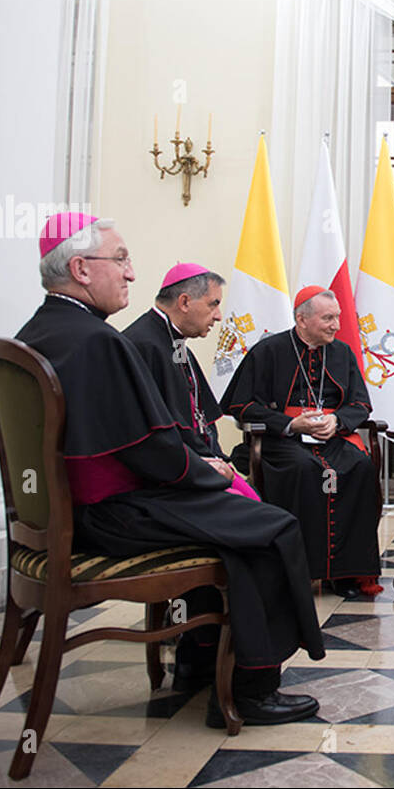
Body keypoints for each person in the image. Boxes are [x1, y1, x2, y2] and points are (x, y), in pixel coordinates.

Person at [0, 212, 325, 728]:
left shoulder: (37, 333)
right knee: (272, 527)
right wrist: (213, 477)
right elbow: (152, 451)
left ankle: (200, 663)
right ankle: (251, 689)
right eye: (120, 260)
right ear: (80, 268)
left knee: (233, 530)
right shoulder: (98, 341)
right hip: (110, 516)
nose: (130, 274)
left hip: (68, 517)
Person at [123, 262, 257, 693]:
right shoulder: (145, 345)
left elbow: (197, 419)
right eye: (214, 305)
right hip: (165, 485)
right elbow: (154, 438)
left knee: (256, 510)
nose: (218, 316)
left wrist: (215, 458)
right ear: (185, 301)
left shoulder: (170, 340)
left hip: (190, 469)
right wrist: (205, 465)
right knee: (256, 527)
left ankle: (210, 651)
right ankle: (223, 659)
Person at [222, 286, 381, 600]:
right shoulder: (268, 351)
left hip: (331, 437)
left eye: (337, 317)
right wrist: (290, 423)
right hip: (283, 439)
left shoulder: (343, 353)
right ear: (302, 319)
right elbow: (239, 405)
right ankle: (299, 570)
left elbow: (361, 404)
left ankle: (345, 573)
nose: (336, 325)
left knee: (359, 467)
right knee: (303, 468)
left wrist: (337, 421)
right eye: (328, 318)